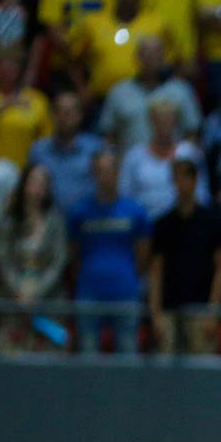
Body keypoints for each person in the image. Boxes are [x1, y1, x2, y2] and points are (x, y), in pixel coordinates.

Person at [70, 147, 150, 354]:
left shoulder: (135, 211)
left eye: (109, 170)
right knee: (88, 356)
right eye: (100, 171)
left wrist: (131, 274)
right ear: (93, 174)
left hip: (126, 291)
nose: (105, 176)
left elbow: (143, 253)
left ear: (118, 173)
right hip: (89, 291)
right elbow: (74, 253)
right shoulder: (80, 212)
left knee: (127, 355)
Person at [149, 157, 221, 355]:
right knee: (164, 368)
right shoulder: (163, 224)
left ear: (194, 181)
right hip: (169, 307)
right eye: (176, 179)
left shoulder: (213, 222)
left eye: (185, 178)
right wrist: (155, 314)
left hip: (201, 308)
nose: (180, 184)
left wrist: (214, 312)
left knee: (202, 373)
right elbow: (156, 271)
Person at [0, 162, 69, 353]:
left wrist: (37, 292)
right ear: (23, 184)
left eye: (43, 182)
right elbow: (3, 260)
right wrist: (19, 290)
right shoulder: (10, 220)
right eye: (33, 181)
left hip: (49, 299)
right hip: (13, 299)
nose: (37, 187)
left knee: (49, 355)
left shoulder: (55, 221)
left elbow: (58, 261)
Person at [100, 36, 203, 156]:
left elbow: (192, 132)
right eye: (146, 53)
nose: (151, 57)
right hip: (130, 168)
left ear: (164, 57)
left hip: (172, 168)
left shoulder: (181, 90)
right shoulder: (119, 92)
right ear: (136, 57)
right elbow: (109, 135)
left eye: (156, 52)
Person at [119, 97, 208, 219]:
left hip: (184, 223)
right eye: (160, 120)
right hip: (146, 225)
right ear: (151, 121)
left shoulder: (190, 153)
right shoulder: (134, 157)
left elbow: (202, 193)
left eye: (169, 119)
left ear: (176, 122)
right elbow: (125, 195)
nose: (164, 124)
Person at [0, 44, 51, 169]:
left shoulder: (37, 99)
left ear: (20, 68)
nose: (7, 68)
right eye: (2, 63)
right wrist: (12, 103)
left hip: (26, 170)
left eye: (13, 63)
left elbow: (46, 140)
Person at [30, 91, 102, 216]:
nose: (65, 116)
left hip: (87, 223)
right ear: (52, 115)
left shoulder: (95, 148)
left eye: (70, 112)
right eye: (60, 112)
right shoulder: (39, 150)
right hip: (48, 224)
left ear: (80, 116)